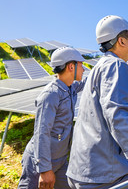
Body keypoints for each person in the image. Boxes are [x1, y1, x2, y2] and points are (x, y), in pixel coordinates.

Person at [66, 15, 128, 189]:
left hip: (81, 170)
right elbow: (116, 114)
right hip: (102, 174)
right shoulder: (116, 65)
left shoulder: (98, 68)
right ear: (121, 41)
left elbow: (97, 114)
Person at [18, 47, 86, 189]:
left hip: (60, 161)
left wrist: (107, 70)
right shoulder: (51, 95)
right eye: (81, 65)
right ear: (71, 66)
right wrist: (44, 169)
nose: (84, 69)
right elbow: (41, 133)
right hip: (39, 163)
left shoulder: (70, 88)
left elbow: (87, 83)